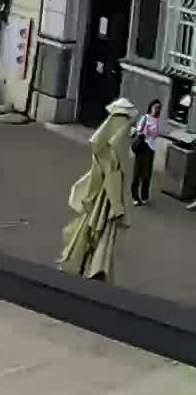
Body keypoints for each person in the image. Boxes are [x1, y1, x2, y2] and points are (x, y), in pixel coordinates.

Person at [61, 97, 133, 281]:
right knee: (101, 232)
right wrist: (118, 206)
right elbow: (111, 177)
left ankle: (83, 263)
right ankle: (93, 267)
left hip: (100, 195)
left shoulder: (105, 150)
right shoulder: (113, 152)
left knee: (89, 228)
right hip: (105, 196)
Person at [131, 99, 162, 206]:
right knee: (137, 173)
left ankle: (144, 195)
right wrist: (145, 131)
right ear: (151, 107)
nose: (158, 109)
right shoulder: (145, 118)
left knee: (147, 175)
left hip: (151, 149)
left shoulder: (157, 120)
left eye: (159, 108)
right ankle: (134, 196)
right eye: (156, 107)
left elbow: (156, 134)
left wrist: (152, 132)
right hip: (142, 146)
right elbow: (138, 130)